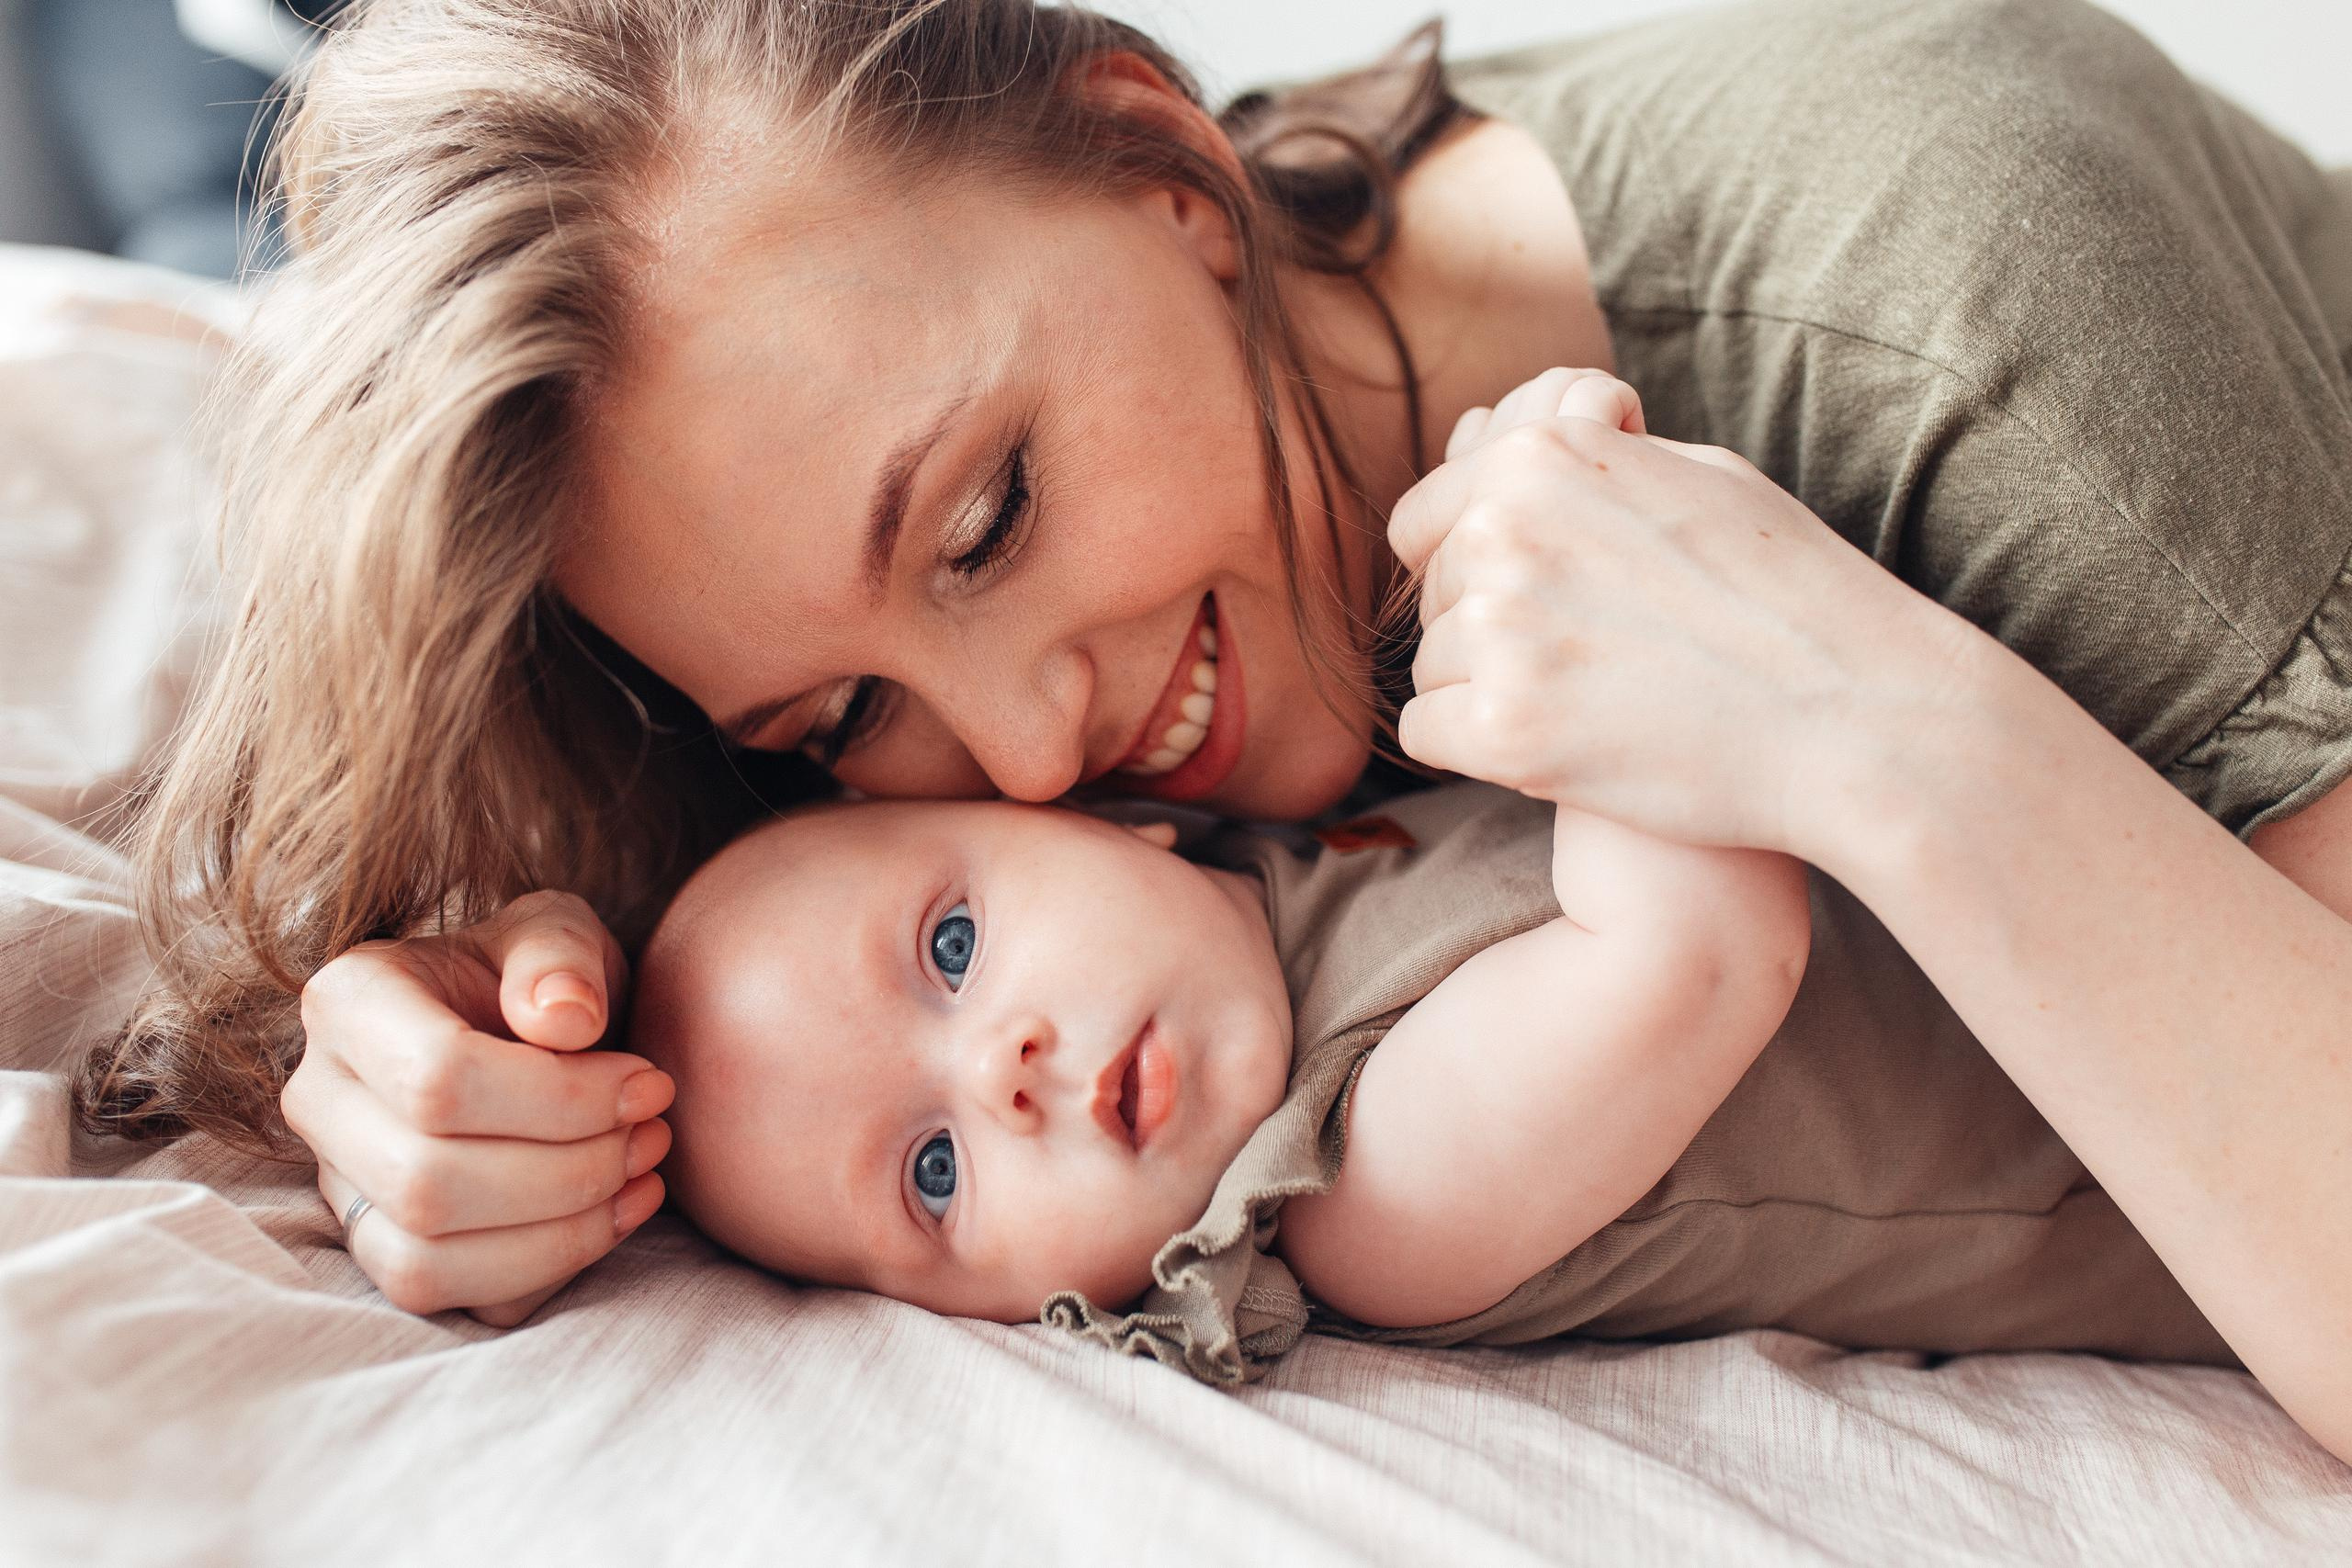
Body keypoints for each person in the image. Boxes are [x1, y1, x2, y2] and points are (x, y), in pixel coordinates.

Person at [73, 0, 2352, 1459]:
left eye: (984, 518)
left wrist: (1867, 726)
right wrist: (455, 1043)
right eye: (830, 710)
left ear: (1170, 179)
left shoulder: (1963, 325)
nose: (1034, 757)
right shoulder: (926, 377)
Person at [628, 779, 2234, 1386]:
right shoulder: (1370, 1193)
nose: (1001, 1069)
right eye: (933, 1172)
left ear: (1102, 815)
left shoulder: (1307, 840)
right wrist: (1587, 591)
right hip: (2215, 1138)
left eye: (958, 941)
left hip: (2136, 858)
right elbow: (1704, 938)